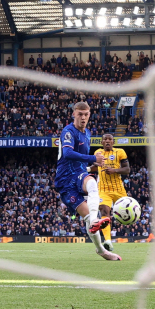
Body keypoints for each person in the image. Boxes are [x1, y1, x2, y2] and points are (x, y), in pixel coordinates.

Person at [55, 102, 120, 260]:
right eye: (80, 114)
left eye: (86, 114)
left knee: (91, 184)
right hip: (65, 180)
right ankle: (94, 221)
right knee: (88, 211)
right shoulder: (68, 131)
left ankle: (101, 250)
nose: (83, 117)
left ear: (89, 115)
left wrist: (92, 166)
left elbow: (80, 165)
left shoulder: (88, 133)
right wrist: (93, 158)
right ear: (74, 114)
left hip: (77, 175)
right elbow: (68, 153)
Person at [92, 133, 130, 253]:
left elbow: (127, 169)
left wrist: (114, 170)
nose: (107, 141)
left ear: (113, 142)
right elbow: (95, 167)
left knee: (127, 213)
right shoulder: (98, 152)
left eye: (110, 139)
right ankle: (108, 241)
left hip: (119, 189)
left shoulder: (120, 152)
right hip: (103, 189)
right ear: (102, 142)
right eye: (105, 139)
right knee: (104, 210)